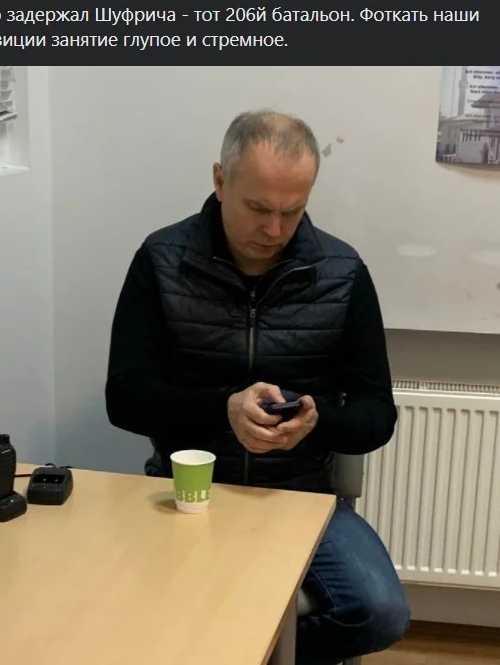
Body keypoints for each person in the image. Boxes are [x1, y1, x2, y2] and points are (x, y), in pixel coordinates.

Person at [105, 110, 410, 664]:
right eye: (259, 208)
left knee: (380, 613)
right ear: (220, 180)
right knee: (115, 605)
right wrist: (223, 410)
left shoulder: (342, 273)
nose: (274, 230)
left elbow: (377, 416)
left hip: (301, 498)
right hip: (187, 494)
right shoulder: (162, 260)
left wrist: (318, 422)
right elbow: (123, 397)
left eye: (293, 211)